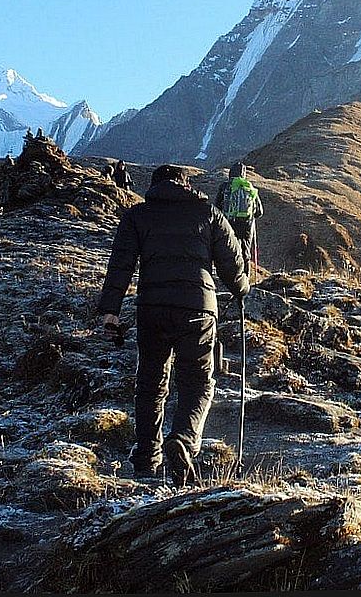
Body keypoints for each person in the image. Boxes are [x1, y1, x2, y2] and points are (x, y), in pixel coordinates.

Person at [97, 164, 250, 485]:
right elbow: (232, 263)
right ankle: (182, 439)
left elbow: (120, 264)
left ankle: (146, 459)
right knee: (197, 381)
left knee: (151, 384)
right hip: (198, 308)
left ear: (154, 186)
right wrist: (242, 288)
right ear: (187, 185)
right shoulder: (209, 214)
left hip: (151, 307)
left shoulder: (137, 216)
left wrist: (110, 310)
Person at [215, 162, 263, 279]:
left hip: (229, 223)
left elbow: (217, 207)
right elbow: (259, 212)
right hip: (247, 224)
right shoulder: (249, 187)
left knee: (230, 250)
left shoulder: (225, 187)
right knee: (245, 252)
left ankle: (231, 279)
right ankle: (245, 280)